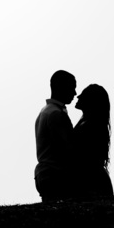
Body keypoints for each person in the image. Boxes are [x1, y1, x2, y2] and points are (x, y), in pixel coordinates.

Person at [34, 70, 77, 201]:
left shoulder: (44, 111)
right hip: (55, 175)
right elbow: (68, 148)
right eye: (72, 88)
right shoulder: (56, 114)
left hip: (44, 174)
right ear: (61, 88)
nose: (75, 93)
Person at [74, 84, 114, 198]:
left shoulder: (89, 126)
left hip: (92, 182)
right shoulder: (90, 124)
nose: (78, 96)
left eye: (83, 94)